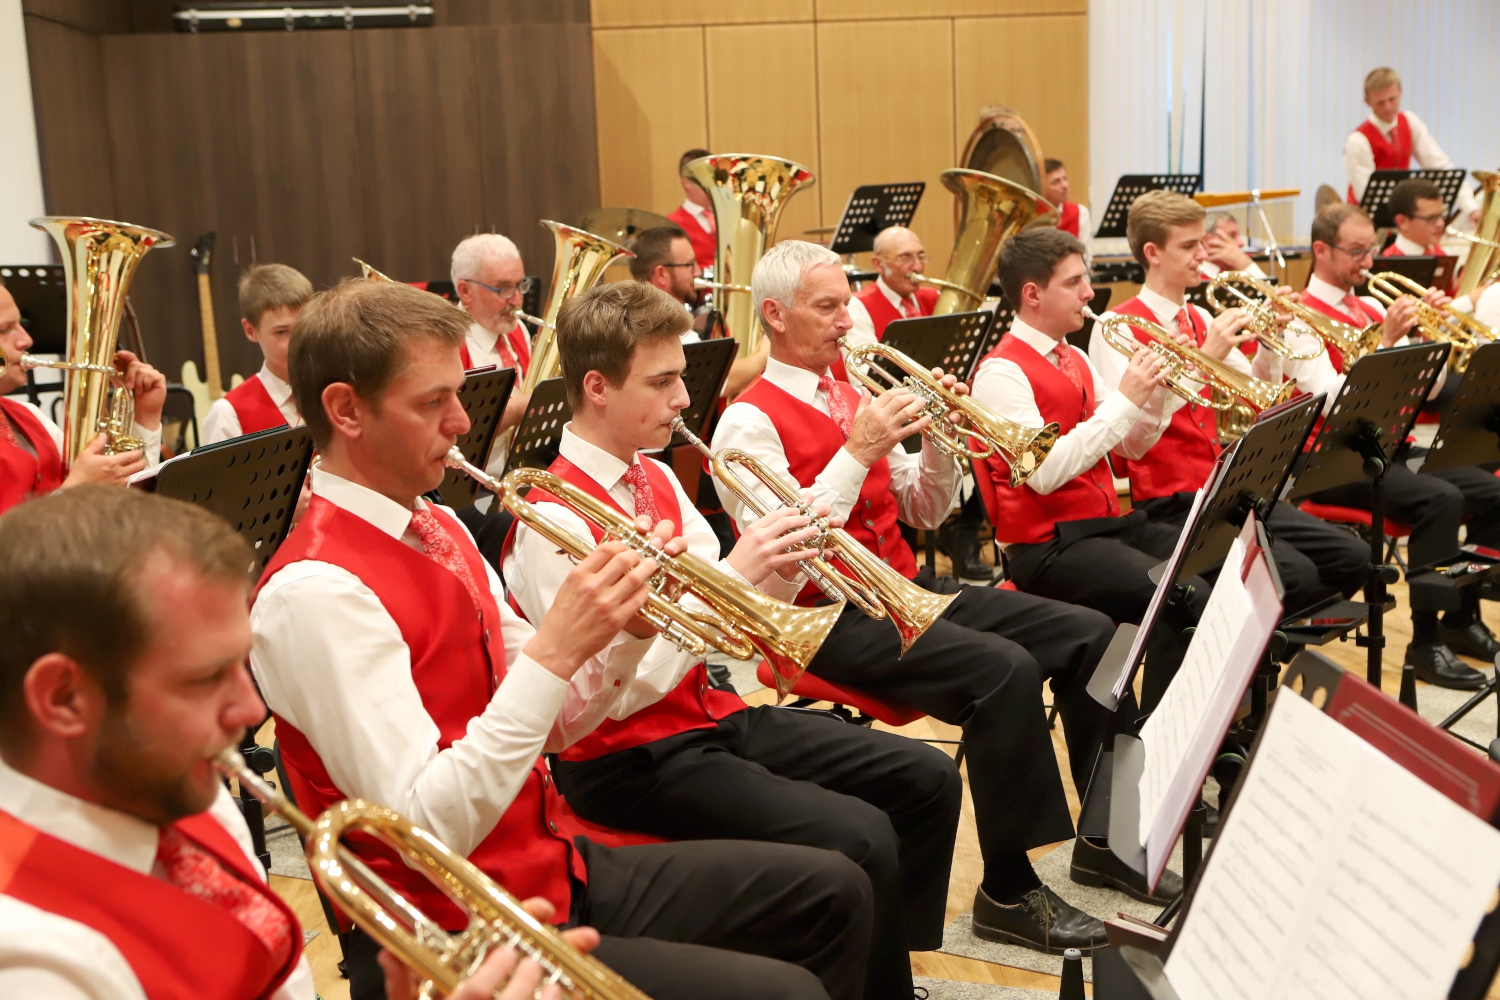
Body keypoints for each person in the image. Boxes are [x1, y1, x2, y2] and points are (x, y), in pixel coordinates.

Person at [250, 278, 873, 1000]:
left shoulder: (440, 525)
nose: (462, 422)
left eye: (461, 393)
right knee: (783, 991)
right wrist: (556, 650)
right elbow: (424, 830)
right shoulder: (313, 593)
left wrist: (630, 630)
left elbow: (564, 726)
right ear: (345, 410)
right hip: (461, 939)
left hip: (549, 866)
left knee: (834, 888)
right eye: (433, 402)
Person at [504, 280, 963, 1000]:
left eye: (680, 378)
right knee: (860, 835)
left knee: (926, 778)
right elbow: (602, 703)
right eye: (662, 383)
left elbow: (735, 619)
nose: (684, 400)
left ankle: (878, 967)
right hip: (627, 759)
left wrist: (771, 568)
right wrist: (738, 581)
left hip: (707, 715)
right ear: (596, 387)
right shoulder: (548, 518)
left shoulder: (653, 474)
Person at [714, 239, 1123, 953]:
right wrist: (857, 452)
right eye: (828, 306)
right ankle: (1008, 891)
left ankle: (1106, 834)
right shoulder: (746, 423)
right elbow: (783, 556)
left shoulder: (852, 391)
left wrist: (939, 440)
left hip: (905, 588)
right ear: (774, 316)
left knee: (1091, 634)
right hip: (822, 617)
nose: (848, 320)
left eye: (848, 302)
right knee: (1004, 671)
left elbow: (925, 511)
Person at [0, 486, 317, 1000]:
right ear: (63, 698)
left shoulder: (169, 775)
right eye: (206, 677)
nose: (252, 711)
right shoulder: (26, 962)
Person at [1088, 191, 1368, 621]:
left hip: (1225, 486)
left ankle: (1261, 651)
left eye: (1202, 243)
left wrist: (1273, 344)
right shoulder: (1116, 326)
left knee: (1353, 556)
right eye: (1189, 246)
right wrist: (1207, 359)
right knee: (1295, 576)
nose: (1203, 255)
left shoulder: (1200, 317)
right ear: (1152, 253)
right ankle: (1246, 661)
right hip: (1167, 499)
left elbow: (1259, 394)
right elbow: (1130, 444)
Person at [970, 227, 1210, 716]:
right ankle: (1158, 734)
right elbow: (1045, 472)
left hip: (1103, 528)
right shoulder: (1000, 374)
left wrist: (1157, 392)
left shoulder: (1074, 355)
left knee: (1214, 567)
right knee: (1182, 595)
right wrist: (1125, 400)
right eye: (1075, 282)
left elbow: (1131, 446)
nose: (1089, 293)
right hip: (1049, 546)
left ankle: (1189, 728)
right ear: (1032, 294)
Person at [1285, 202, 1500, 687]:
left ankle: (1462, 619)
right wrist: (1386, 344)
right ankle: (1425, 643)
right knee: (1442, 500)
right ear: (1321, 250)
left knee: (1489, 491)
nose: (1367, 262)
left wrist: (1427, 338)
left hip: (1386, 452)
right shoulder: (1299, 319)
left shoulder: (1368, 306)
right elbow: (1334, 401)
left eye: (1371, 251)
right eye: (1356, 252)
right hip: (1332, 463)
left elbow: (1426, 387)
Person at [0, 278, 165, 515]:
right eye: (4, 330)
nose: (26, 340)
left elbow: (129, 500)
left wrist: (144, 417)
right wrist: (75, 491)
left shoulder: (32, 416)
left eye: (21, 324)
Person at [629, 225, 769, 396]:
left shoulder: (638, 314)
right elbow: (721, 381)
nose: (697, 271)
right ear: (662, 275)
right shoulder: (660, 325)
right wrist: (763, 356)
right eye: (689, 265)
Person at [1344, 67, 1479, 223]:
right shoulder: (1358, 139)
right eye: (1380, 102)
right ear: (1367, 101)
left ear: (1400, 92)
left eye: (1392, 99)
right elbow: (1365, 193)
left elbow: (1440, 166)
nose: (1388, 107)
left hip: (1401, 218)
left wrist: (1471, 207)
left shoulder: (1409, 122)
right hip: (1365, 222)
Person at [201, 264, 311, 443]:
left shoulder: (335, 392)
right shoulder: (227, 415)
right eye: (282, 332)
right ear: (250, 331)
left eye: (304, 327)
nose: (298, 342)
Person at [847, 226, 938, 345]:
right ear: (879, 264)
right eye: (905, 258)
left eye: (921, 256)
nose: (918, 267)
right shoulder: (857, 307)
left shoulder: (935, 297)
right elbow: (864, 362)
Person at [667, 148, 718, 272]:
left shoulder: (732, 218)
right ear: (686, 182)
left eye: (714, 176)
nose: (713, 183)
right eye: (705, 177)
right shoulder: (670, 225)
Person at [1199, 211, 1267, 279]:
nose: (1241, 243)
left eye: (1238, 235)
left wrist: (1246, 264)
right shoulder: (1196, 275)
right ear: (1206, 240)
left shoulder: (1240, 263)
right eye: (1232, 235)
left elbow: (1271, 289)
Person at [1042, 158, 1092, 243]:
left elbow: (1085, 254)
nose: (1065, 185)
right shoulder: (1030, 216)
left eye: (1065, 178)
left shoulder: (1080, 212)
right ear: (1041, 186)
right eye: (1056, 182)